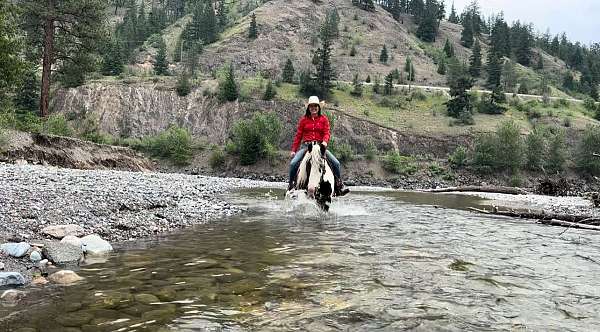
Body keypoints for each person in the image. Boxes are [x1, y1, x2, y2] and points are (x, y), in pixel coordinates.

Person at [288, 96, 350, 196]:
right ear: (308, 108)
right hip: (306, 147)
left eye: (315, 106)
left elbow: (327, 133)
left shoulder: (324, 119)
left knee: (336, 163)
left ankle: (339, 186)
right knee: (293, 163)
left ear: (319, 107)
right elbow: (298, 136)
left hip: (320, 147)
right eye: (311, 106)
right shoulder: (303, 120)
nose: (314, 108)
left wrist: (325, 142)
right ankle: (291, 185)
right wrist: (294, 150)